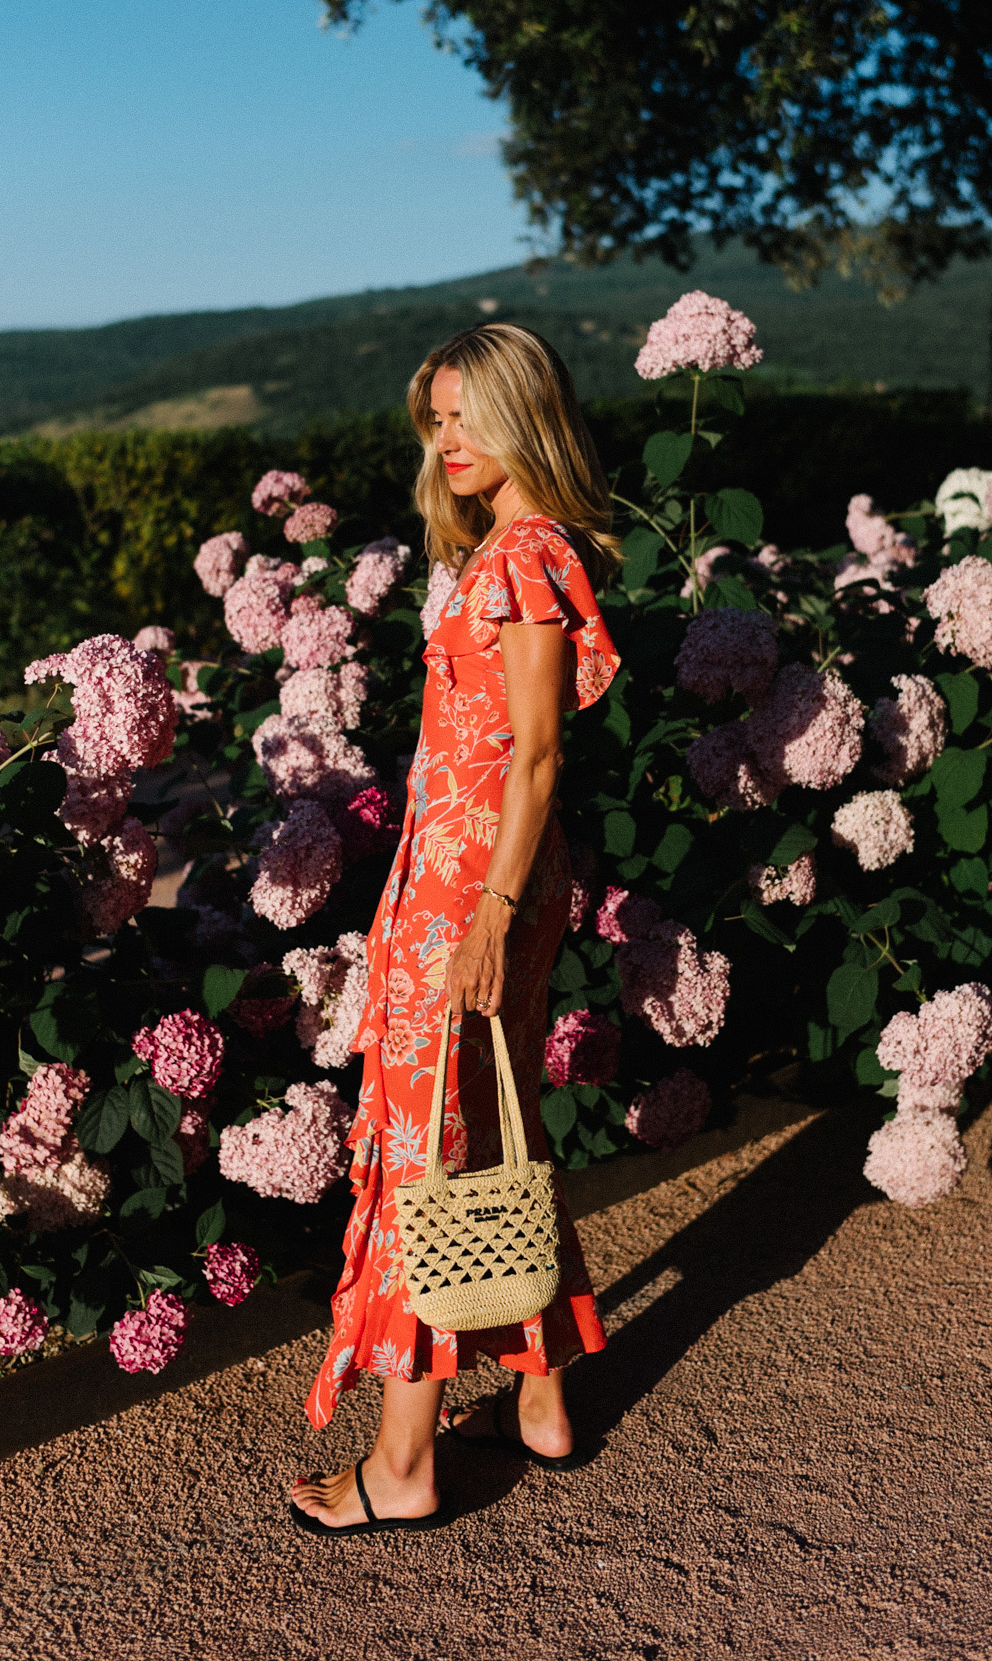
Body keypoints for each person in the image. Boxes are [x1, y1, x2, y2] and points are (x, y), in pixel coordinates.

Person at [291, 321, 623, 1537]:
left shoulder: (525, 558)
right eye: (436, 416)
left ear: (522, 413)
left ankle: (404, 1461)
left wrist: (481, 914)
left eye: (467, 412)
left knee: (427, 1146)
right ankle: (538, 1403)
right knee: (481, 1123)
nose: (448, 437)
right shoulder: (503, 554)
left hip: (474, 892)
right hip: (465, 885)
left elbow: (536, 758)